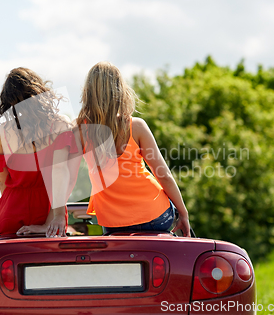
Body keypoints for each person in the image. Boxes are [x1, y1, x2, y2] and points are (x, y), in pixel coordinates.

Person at [76, 61, 191, 236]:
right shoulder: (135, 126)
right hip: (156, 216)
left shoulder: (79, 132)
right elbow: (163, 175)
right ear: (120, 90)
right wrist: (183, 213)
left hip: (113, 222)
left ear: (88, 93)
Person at [0, 67, 78, 239]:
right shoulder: (59, 124)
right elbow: (60, 172)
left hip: (9, 214)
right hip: (48, 211)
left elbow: (2, 183)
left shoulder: (4, 131)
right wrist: (56, 217)